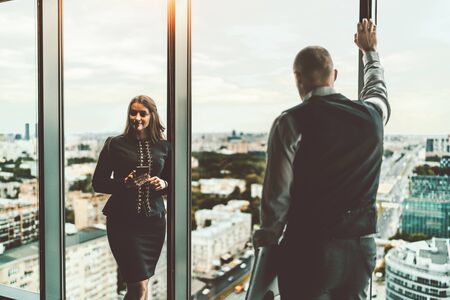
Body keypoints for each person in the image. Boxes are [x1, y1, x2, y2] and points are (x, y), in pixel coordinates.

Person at [253, 18, 390, 299]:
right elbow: (378, 91)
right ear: (335, 75)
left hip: (308, 248)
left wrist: (267, 242)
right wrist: (370, 53)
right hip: (359, 248)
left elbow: (276, 198)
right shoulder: (373, 117)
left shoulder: (290, 122)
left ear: (298, 79)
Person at [92, 95, 170, 300]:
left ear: (152, 116)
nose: (137, 117)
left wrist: (163, 184)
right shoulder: (114, 144)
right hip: (123, 223)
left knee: (142, 286)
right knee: (137, 288)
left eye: (142, 113)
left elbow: (172, 182)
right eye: (133, 112)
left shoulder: (164, 146)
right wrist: (124, 184)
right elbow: (98, 183)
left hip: (154, 224)